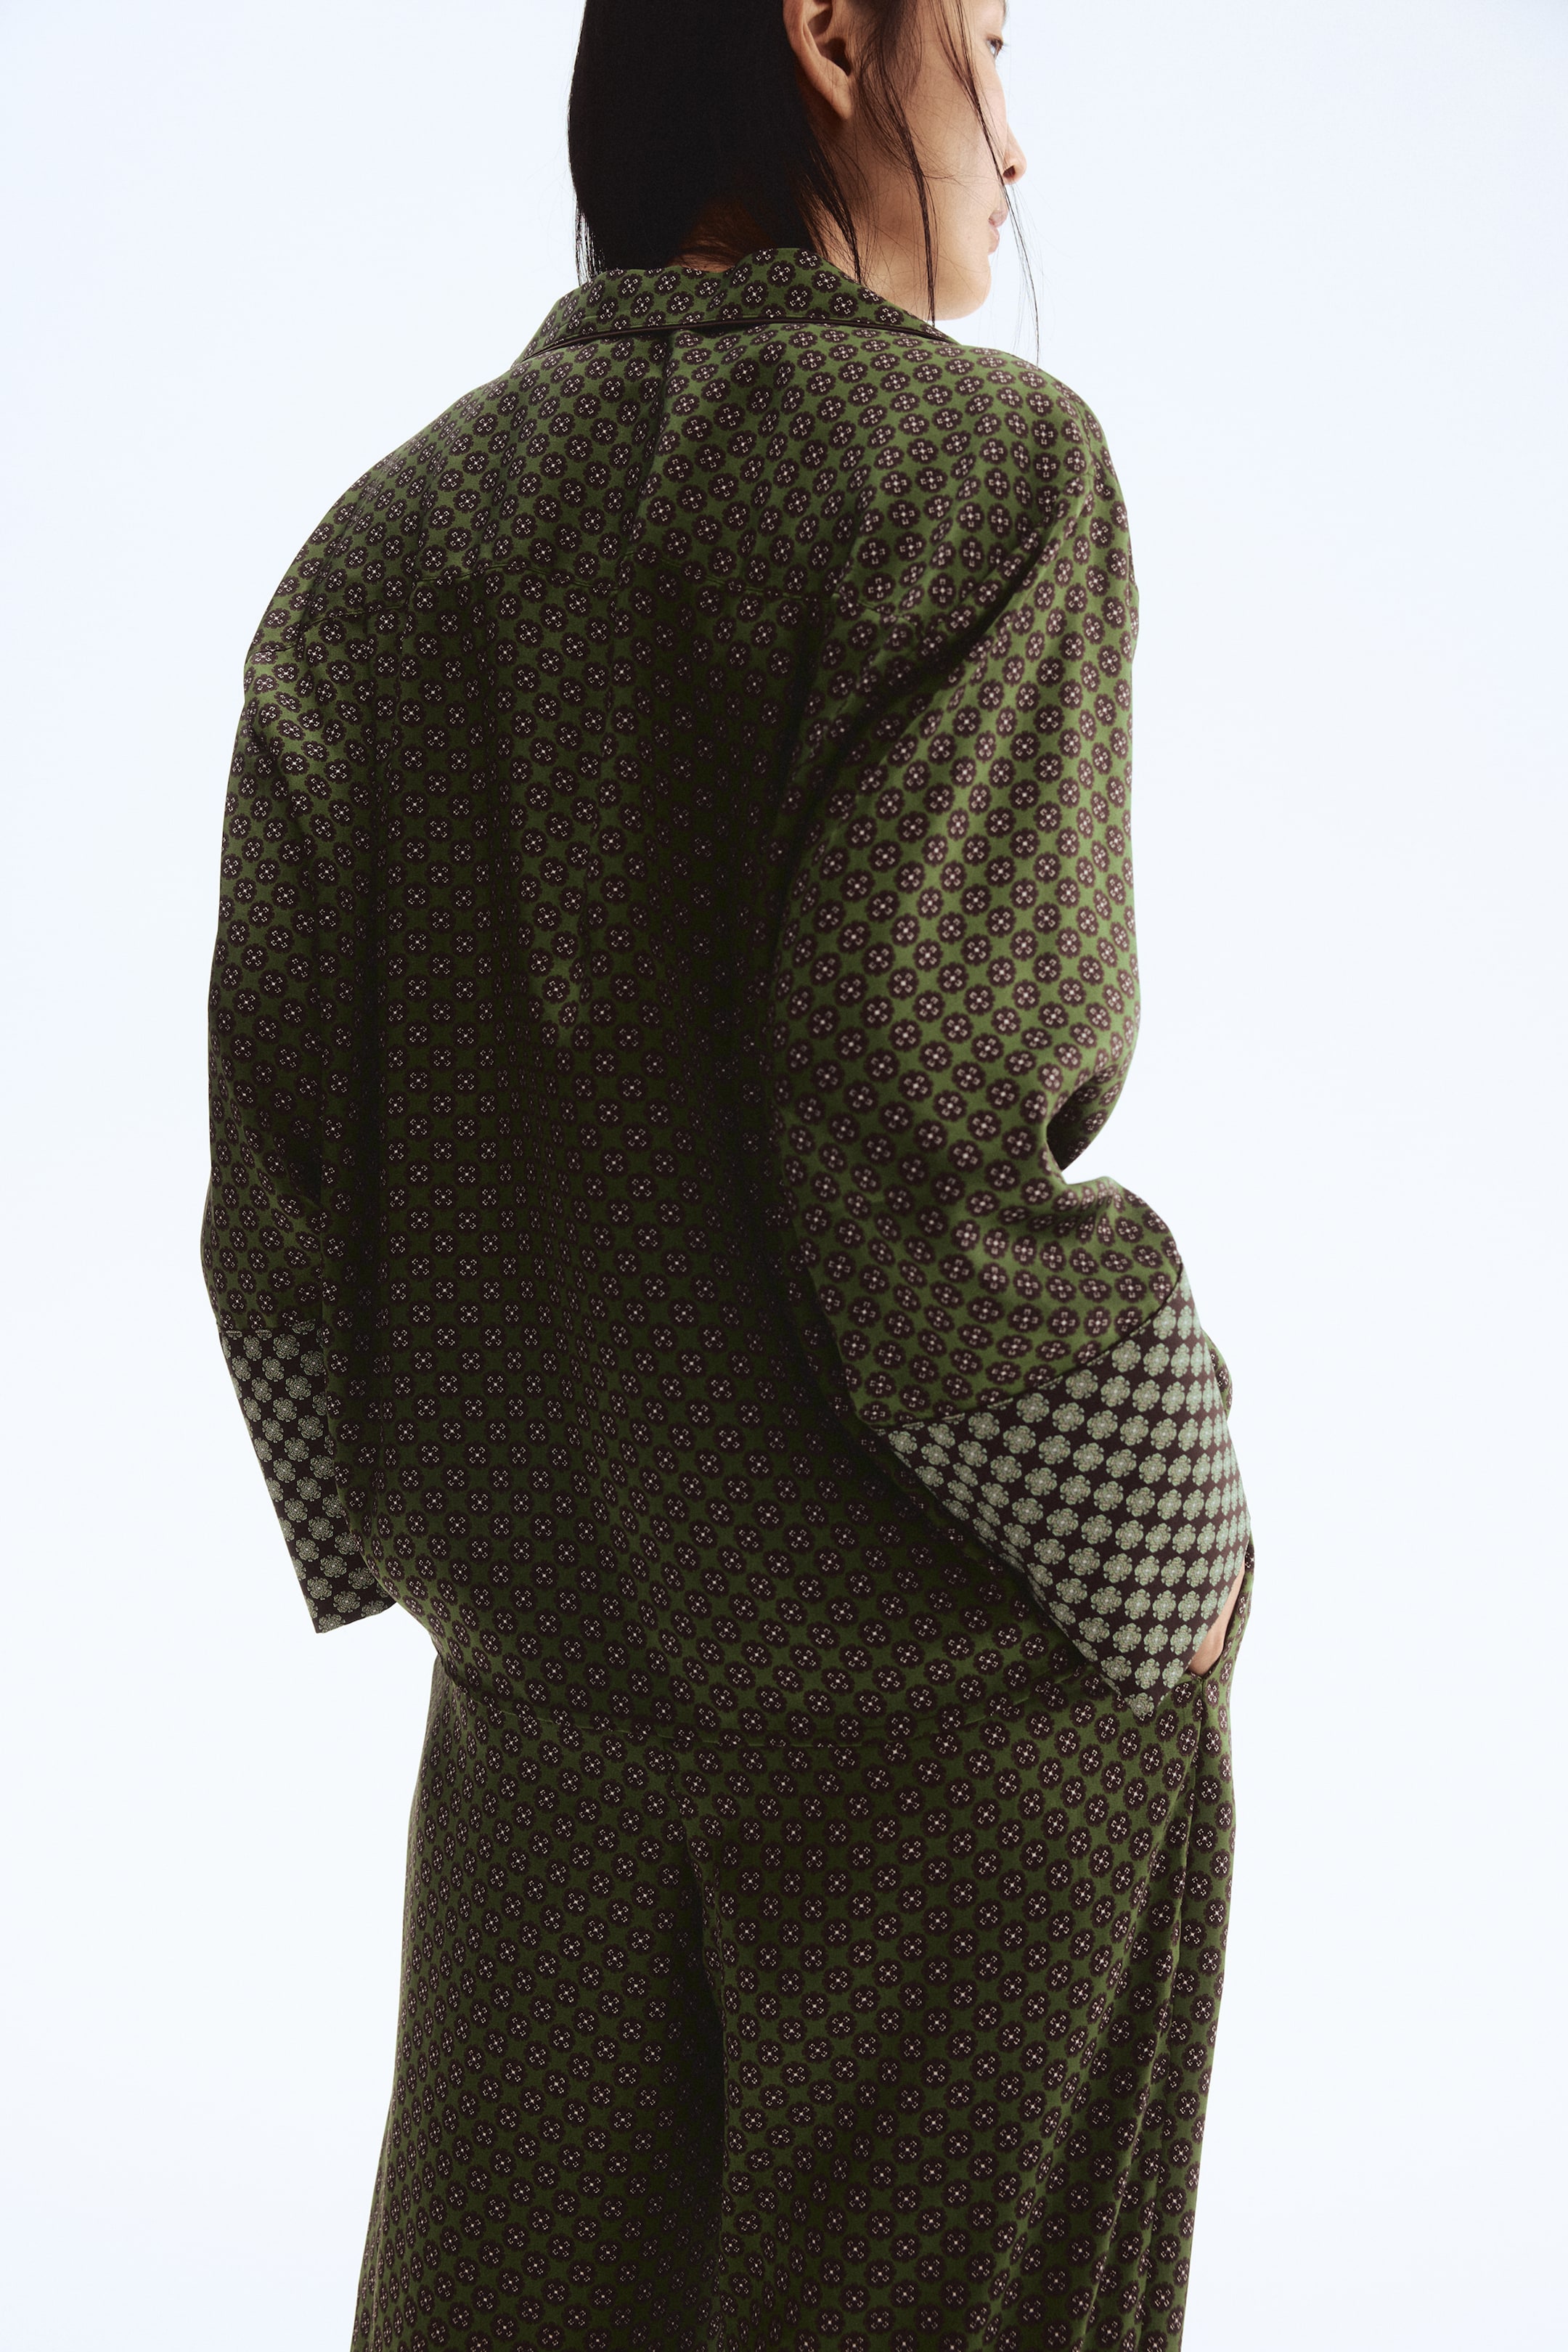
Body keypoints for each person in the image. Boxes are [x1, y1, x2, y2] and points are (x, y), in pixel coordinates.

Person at [202, 0, 1251, 2341]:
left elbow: (276, 1171)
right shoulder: (982, 472)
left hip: (541, 1691)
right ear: (832, 34)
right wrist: (1170, 1548)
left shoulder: (372, 552)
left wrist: (426, 1536)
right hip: (942, 1716)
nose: (1016, 133)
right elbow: (908, 1096)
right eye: (990, 39)